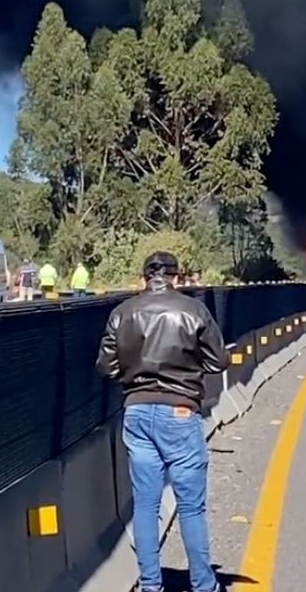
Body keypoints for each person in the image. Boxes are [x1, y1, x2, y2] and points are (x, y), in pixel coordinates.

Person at [95, 252, 226, 592]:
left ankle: (151, 584)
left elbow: (106, 366)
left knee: (145, 504)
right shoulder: (193, 310)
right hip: (181, 411)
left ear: (144, 278)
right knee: (191, 506)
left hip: (136, 412)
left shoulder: (122, 313)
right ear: (176, 278)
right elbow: (219, 361)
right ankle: (203, 584)